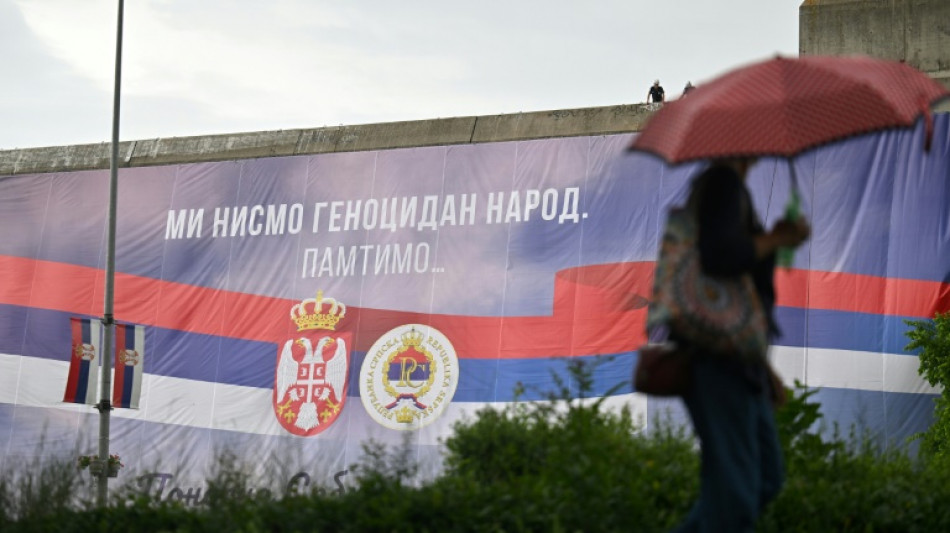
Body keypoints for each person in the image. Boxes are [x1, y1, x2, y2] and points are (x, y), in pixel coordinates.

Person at [673, 158, 810, 533]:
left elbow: (737, 296)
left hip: (741, 360)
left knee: (765, 478)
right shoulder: (722, 184)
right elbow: (722, 257)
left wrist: (764, 370)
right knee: (733, 499)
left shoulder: (737, 191)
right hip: (718, 361)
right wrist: (779, 239)